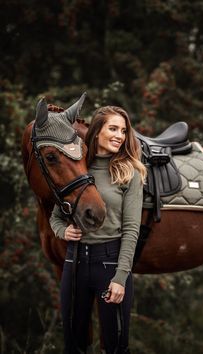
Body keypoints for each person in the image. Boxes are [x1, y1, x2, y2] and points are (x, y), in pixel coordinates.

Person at [49, 105, 146, 354]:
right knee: (74, 344)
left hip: (110, 265)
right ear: (96, 132)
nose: (120, 136)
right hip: (75, 263)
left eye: (123, 131)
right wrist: (63, 232)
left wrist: (120, 278)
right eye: (113, 128)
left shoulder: (129, 173)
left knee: (115, 346)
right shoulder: (80, 168)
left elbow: (132, 229)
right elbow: (56, 216)